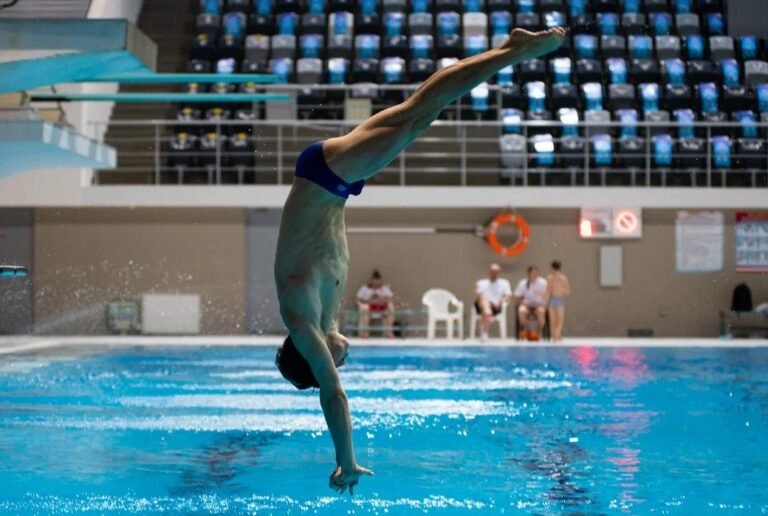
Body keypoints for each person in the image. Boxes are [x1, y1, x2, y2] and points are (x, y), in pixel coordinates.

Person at [273, 27, 566, 495]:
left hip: (324, 178)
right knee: (422, 114)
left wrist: (346, 462)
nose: (343, 362)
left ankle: (515, 51)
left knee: (420, 110)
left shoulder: (302, 317)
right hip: (332, 184)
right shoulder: (321, 319)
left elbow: (332, 395)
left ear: (316, 356)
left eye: (334, 363)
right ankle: (509, 51)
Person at [474, 263, 512, 341]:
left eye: (496, 272)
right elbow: (477, 298)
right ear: (489, 272)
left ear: (499, 273)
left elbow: (508, 297)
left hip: (495, 307)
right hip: (481, 305)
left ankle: (484, 331)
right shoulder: (481, 283)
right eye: (492, 271)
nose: (494, 273)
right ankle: (489, 315)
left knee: (486, 312)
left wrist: (499, 301)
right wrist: (477, 291)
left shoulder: (504, 283)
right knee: (484, 300)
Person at [356, 270, 396, 338]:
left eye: (378, 282)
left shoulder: (384, 288)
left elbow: (391, 298)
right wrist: (368, 299)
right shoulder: (365, 288)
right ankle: (365, 331)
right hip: (369, 308)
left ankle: (389, 331)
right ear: (371, 281)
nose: (376, 284)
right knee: (365, 307)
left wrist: (382, 298)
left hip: (382, 308)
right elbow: (358, 299)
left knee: (391, 307)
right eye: (375, 282)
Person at [514, 265, 548, 338]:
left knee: (541, 312)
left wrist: (543, 300)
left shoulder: (543, 283)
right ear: (529, 274)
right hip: (527, 305)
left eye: (536, 273)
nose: (535, 275)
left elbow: (547, 295)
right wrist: (523, 301)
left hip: (539, 305)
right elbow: (516, 297)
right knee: (521, 310)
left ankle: (538, 333)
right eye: (533, 273)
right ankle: (527, 332)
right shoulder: (523, 283)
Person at [546, 260, 571, 342]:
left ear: (552, 268)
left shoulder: (550, 278)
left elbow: (548, 291)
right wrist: (561, 290)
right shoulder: (563, 278)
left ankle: (555, 336)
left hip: (552, 299)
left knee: (553, 320)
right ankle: (556, 335)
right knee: (559, 320)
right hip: (559, 299)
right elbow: (568, 291)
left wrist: (546, 301)